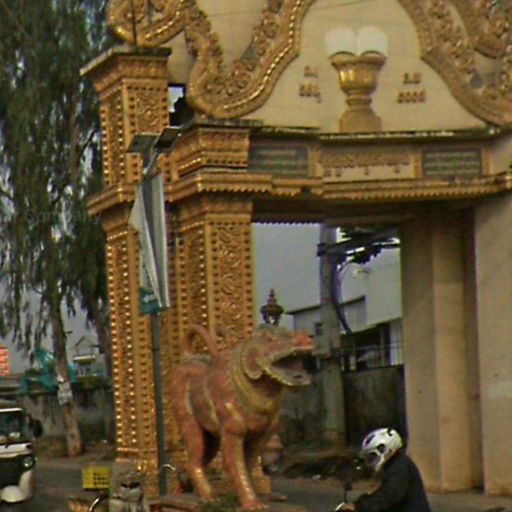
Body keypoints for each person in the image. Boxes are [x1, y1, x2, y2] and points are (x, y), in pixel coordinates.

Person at [337, 427, 431, 512]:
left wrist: (359, 506)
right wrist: (361, 502)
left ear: (384, 450)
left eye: (373, 455)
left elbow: (388, 495)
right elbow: (382, 492)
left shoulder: (399, 467)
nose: (371, 460)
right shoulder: (394, 465)